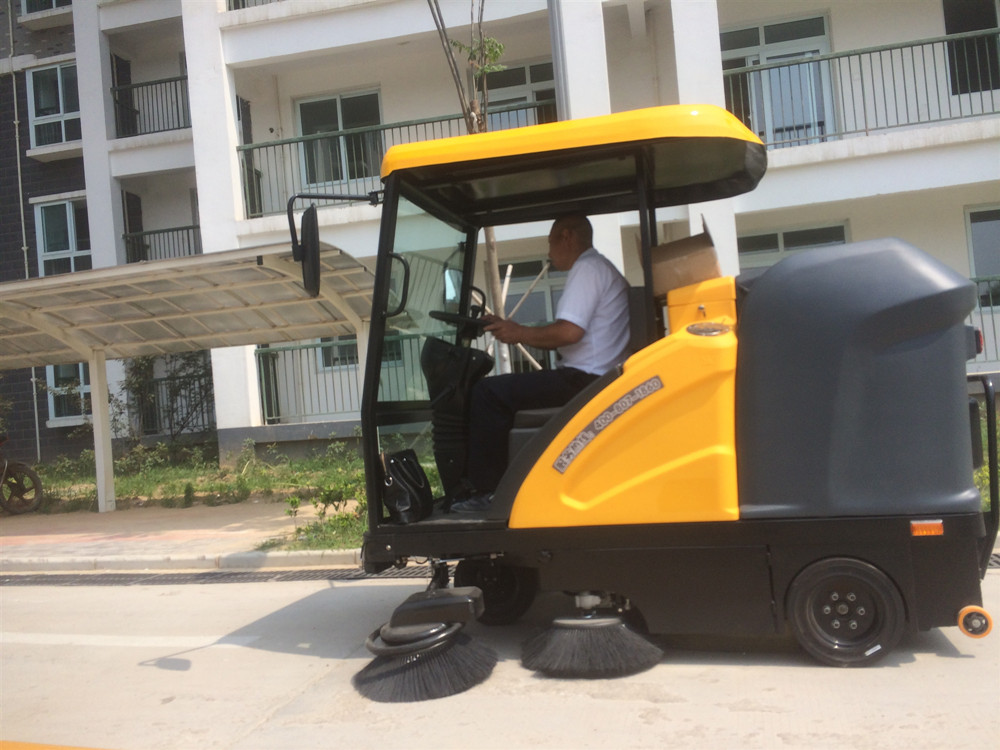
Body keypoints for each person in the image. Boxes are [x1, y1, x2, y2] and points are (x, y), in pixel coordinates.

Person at [451, 214, 631, 512]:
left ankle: (489, 494)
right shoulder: (600, 268)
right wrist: (511, 327)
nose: (549, 252)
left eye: (550, 243)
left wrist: (518, 333)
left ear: (567, 237)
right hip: (596, 378)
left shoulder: (587, 268)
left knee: (487, 393)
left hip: (584, 380)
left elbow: (568, 332)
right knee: (501, 391)